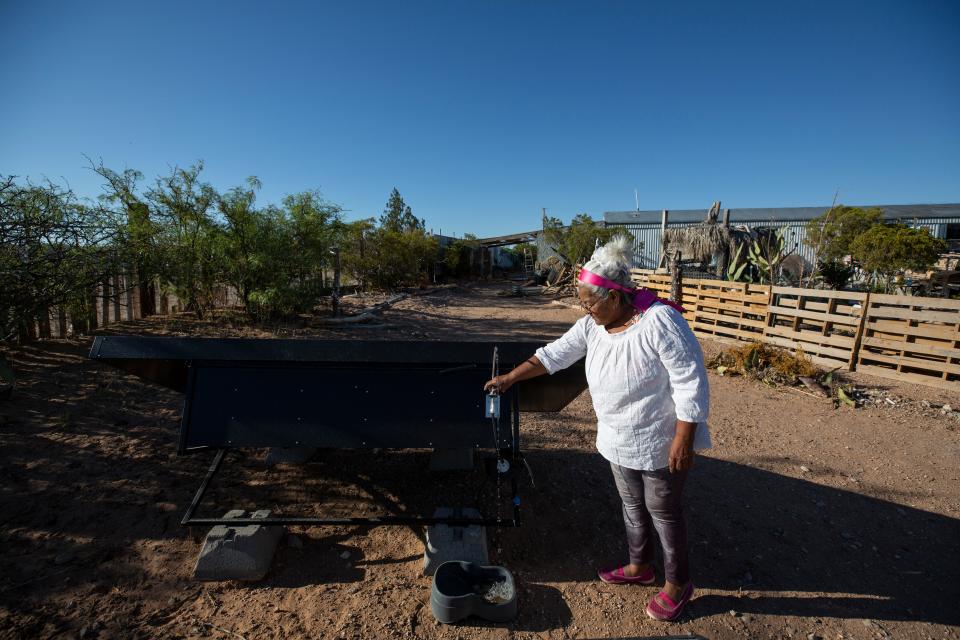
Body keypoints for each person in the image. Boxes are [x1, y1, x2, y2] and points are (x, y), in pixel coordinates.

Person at [483, 236, 710, 622]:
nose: (584, 309)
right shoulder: (592, 326)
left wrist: (684, 439)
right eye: (582, 302)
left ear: (616, 297)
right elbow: (554, 355)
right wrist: (511, 377)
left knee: (664, 512)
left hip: (659, 439)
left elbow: (691, 381)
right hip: (618, 438)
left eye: (590, 301)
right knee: (632, 507)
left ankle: (678, 583)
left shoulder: (660, 321)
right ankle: (641, 566)